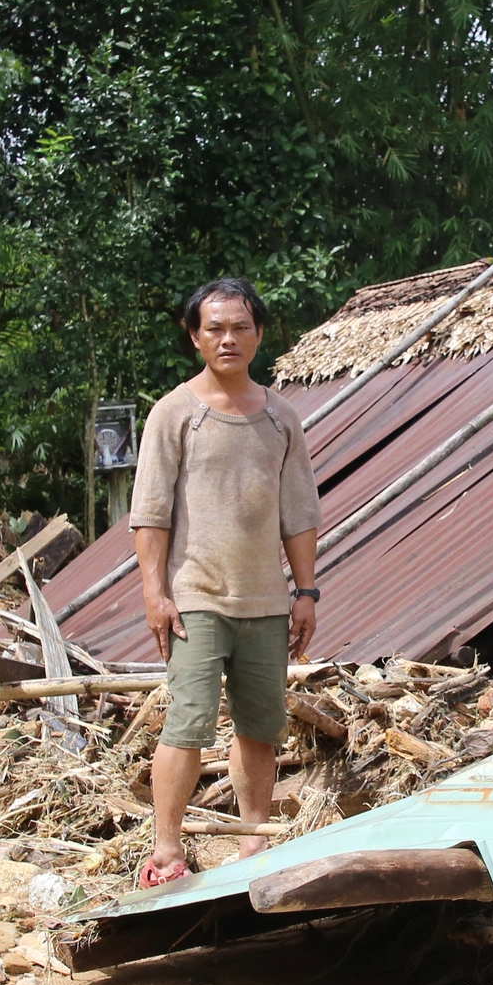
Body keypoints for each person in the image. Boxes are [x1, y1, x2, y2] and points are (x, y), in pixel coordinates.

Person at [130, 277, 322, 886]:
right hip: (196, 600)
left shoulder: (280, 416)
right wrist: (154, 595)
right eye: (214, 328)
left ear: (260, 335)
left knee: (260, 727)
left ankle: (252, 844)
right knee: (187, 723)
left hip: (266, 601)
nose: (228, 338)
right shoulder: (174, 414)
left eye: (240, 327)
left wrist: (307, 593)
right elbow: (150, 513)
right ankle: (166, 850)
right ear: (195, 337)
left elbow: (300, 516)